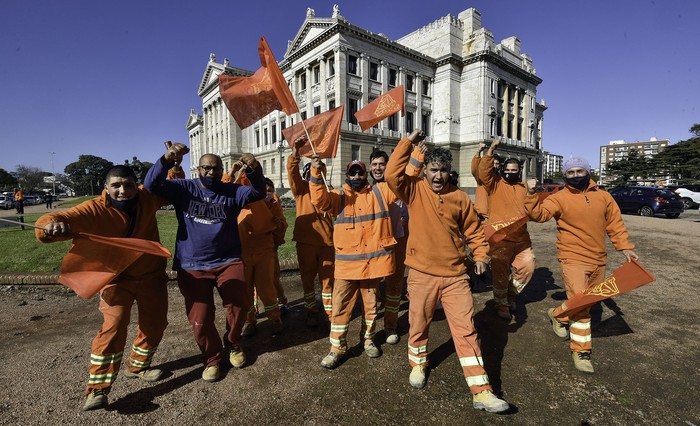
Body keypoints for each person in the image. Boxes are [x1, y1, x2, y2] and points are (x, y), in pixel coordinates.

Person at [385, 129, 510, 414]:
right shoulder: (413, 190)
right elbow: (393, 174)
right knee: (418, 324)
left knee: (467, 331)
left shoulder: (461, 198)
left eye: (443, 170)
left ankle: (482, 391)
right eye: (433, 170)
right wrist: (408, 143)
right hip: (422, 274)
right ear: (425, 171)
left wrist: (480, 255)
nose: (438, 176)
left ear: (449, 171)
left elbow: (474, 231)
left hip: (456, 276)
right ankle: (418, 364)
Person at [35, 165, 171, 411]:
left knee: (156, 324)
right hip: (115, 279)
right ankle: (97, 389)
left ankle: (138, 366)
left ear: (136, 186)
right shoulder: (94, 208)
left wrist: (170, 163)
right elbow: (59, 219)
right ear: (106, 188)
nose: (123, 191)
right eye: (116, 186)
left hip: (151, 276)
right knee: (113, 327)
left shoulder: (147, 198)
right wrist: (50, 226)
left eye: (128, 185)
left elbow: (167, 185)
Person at [144, 143, 265, 382]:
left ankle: (233, 343)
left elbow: (257, 192)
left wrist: (254, 169)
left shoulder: (231, 191)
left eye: (216, 168)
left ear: (222, 170)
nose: (211, 173)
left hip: (228, 260)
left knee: (238, 305)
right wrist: (167, 160)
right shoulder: (184, 188)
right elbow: (151, 185)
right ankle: (211, 358)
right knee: (200, 319)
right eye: (207, 168)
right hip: (192, 264)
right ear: (198, 169)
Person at [524, 157, 638, 374]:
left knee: (586, 301)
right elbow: (539, 215)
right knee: (582, 305)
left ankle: (557, 314)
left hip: (598, 258)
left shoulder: (604, 196)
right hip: (572, 257)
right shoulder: (559, 198)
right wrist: (531, 195)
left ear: (588, 171)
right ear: (565, 176)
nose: (576, 175)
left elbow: (615, 223)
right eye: (571, 172)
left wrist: (624, 247)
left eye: (579, 171)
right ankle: (581, 351)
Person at [309, 154, 398, 368]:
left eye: (360, 172)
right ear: (347, 175)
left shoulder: (380, 191)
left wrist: (415, 152)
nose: (357, 175)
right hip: (347, 268)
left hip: (371, 266)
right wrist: (315, 173)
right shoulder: (338, 196)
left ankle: (368, 340)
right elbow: (319, 199)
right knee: (340, 308)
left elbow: (401, 178)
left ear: (365, 174)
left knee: (371, 307)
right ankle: (336, 349)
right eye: (353, 172)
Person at [478, 139, 536, 321]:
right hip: (500, 239)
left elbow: (533, 212)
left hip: (521, 239)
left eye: (514, 170)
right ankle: (501, 304)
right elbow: (483, 171)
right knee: (500, 274)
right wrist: (491, 149)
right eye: (507, 170)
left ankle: (511, 294)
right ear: (502, 170)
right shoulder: (494, 184)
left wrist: (533, 193)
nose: (510, 173)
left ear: (519, 172)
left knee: (528, 266)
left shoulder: (524, 188)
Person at [287, 137, 335, 327]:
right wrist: (295, 153)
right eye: (312, 171)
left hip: (327, 243)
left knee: (328, 282)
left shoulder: (330, 191)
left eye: (319, 170)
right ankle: (311, 310)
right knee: (307, 281)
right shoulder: (301, 190)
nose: (315, 174)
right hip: (306, 242)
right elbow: (292, 174)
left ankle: (329, 313)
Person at [236, 175, 287, 337]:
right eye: (264, 190)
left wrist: (279, 225)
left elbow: (282, 224)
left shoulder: (274, 203)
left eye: (270, 190)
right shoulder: (245, 202)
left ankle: (275, 318)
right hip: (244, 252)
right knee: (246, 290)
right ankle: (250, 321)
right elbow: (232, 188)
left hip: (265, 251)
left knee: (267, 288)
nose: (267, 193)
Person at [470, 143, 500, 219]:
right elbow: (475, 168)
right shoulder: (481, 178)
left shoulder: (500, 179)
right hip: (482, 216)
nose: (494, 166)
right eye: (493, 163)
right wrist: (478, 151)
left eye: (497, 164)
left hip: (495, 216)